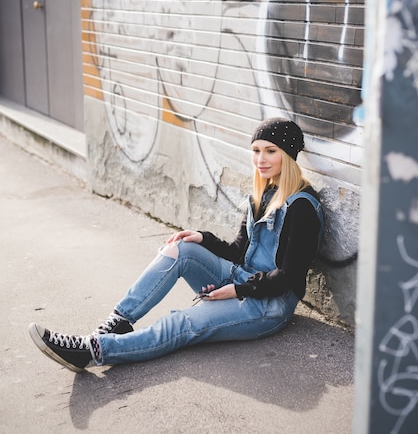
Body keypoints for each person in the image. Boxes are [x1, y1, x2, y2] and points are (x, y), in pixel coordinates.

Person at [29, 118, 324, 373]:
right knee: (181, 248)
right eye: (256, 151)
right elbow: (238, 251)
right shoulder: (263, 194)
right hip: (242, 281)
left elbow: (290, 277)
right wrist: (202, 238)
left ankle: (94, 351)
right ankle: (118, 320)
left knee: (182, 324)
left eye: (270, 151)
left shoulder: (302, 207)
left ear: (288, 155)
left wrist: (238, 290)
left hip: (268, 305)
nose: (261, 159)